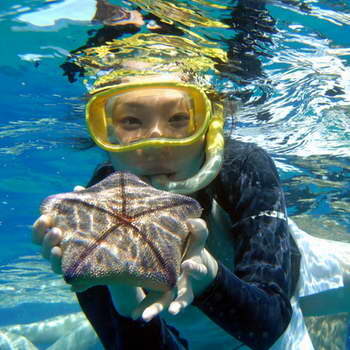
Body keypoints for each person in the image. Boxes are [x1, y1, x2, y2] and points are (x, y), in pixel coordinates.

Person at [31, 1, 350, 350]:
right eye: (131, 122)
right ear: (106, 132)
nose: (153, 146)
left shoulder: (244, 165)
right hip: (191, 330)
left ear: (211, 123)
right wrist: (118, 289)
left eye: (179, 119)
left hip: (292, 285)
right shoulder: (96, 204)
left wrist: (209, 277)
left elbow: (271, 324)